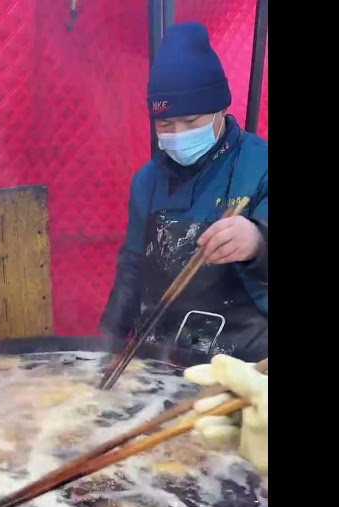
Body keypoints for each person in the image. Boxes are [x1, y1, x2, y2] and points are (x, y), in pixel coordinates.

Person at [100, 22, 269, 363]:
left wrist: (256, 241)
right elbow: (131, 267)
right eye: (165, 124)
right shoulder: (147, 181)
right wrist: (105, 344)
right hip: (162, 362)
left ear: (221, 108)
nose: (177, 133)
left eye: (191, 122)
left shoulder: (260, 164)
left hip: (244, 363)